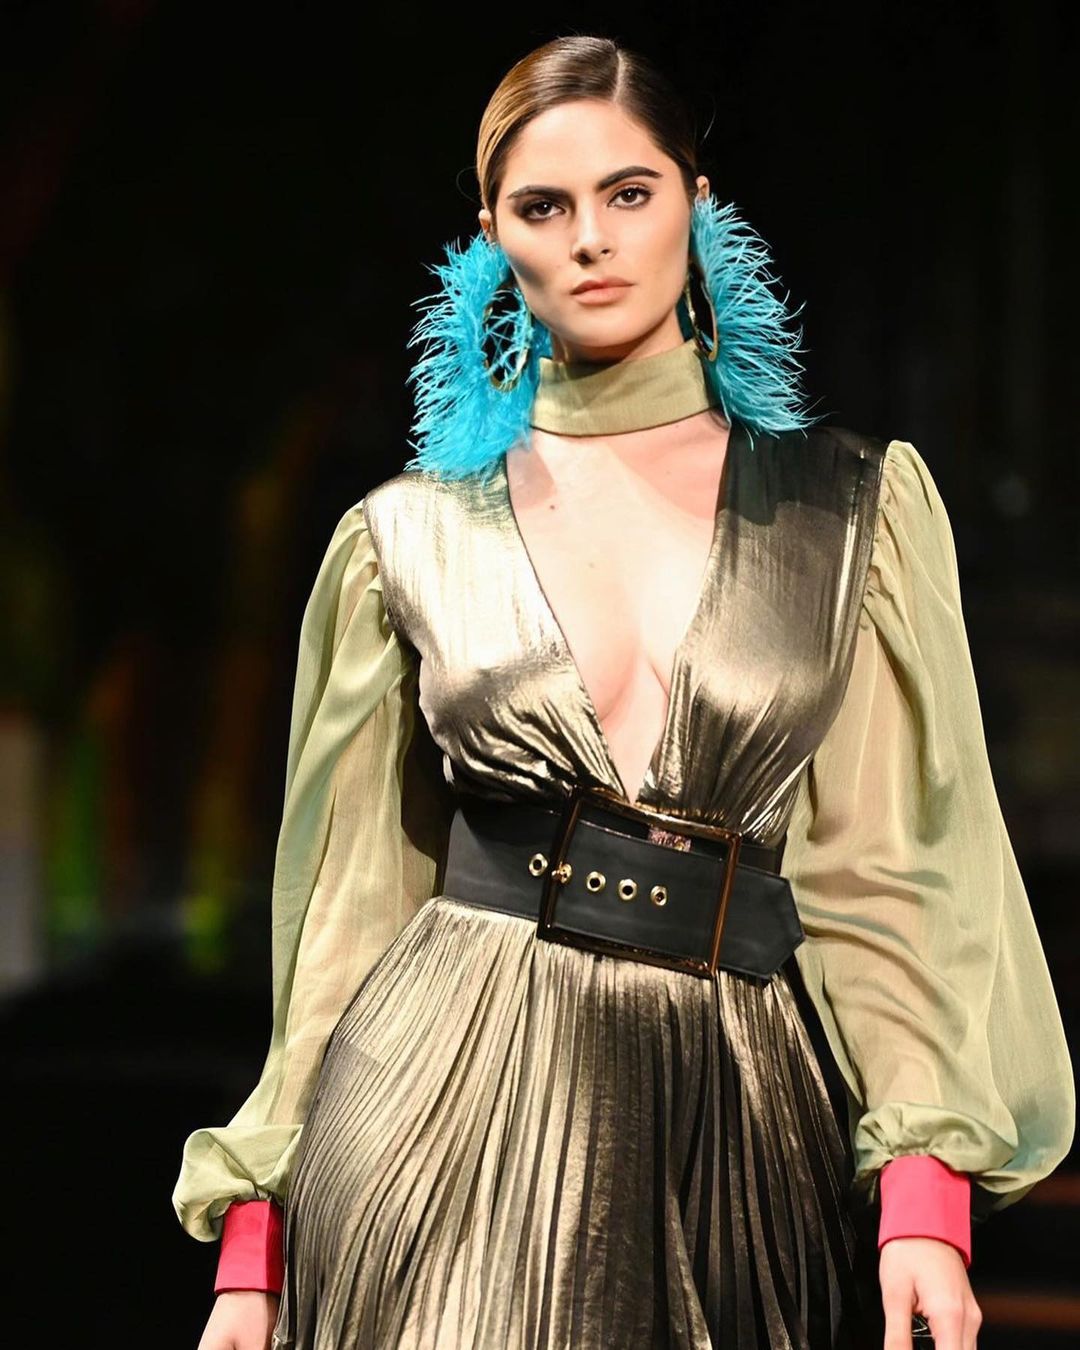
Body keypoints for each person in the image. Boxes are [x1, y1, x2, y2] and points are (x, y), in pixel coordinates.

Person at [173, 34, 1075, 1350]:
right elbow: (351, 905)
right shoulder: (405, 539)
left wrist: (924, 1198)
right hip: (440, 1101)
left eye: (629, 192)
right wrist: (254, 1253)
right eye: (544, 206)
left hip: (740, 1115)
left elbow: (891, 871)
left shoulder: (848, 512)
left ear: (696, 203)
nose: (591, 237)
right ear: (494, 238)